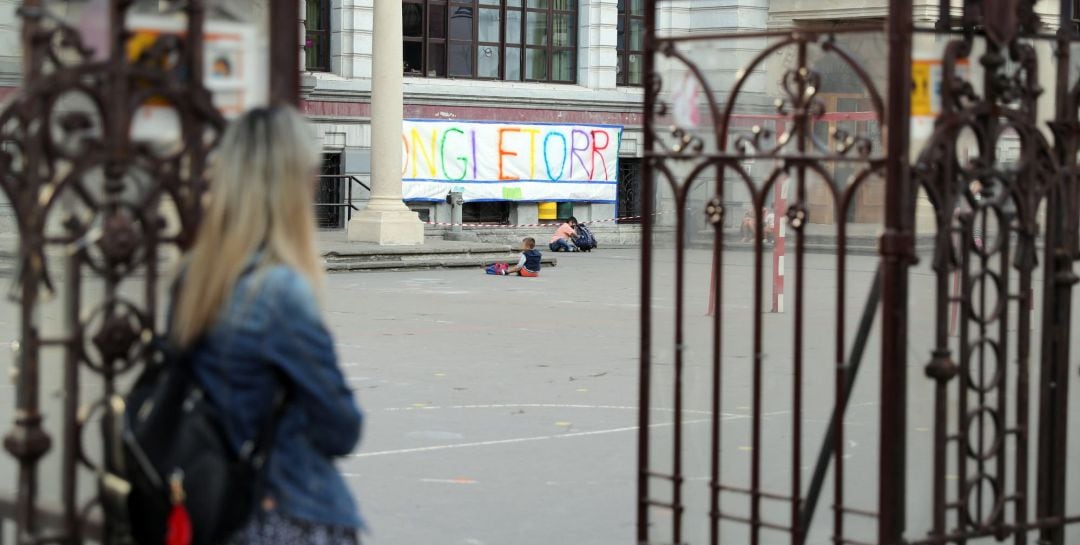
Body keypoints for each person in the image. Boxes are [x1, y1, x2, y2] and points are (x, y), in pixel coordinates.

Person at [170, 106, 364, 545]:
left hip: (212, 499)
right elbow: (342, 426)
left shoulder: (193, 275)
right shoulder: (278, 292)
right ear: (295, 184)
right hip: (286, 505)